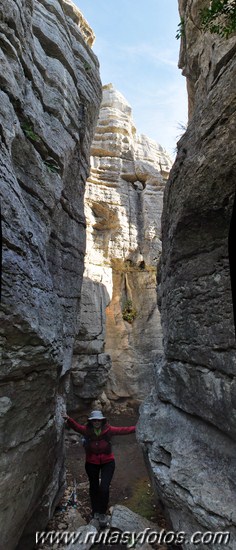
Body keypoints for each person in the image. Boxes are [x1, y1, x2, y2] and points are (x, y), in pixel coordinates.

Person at [63, 409, 136, 526]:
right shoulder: (86, 430)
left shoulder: (109, 430)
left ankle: (102, 512)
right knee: (94, 487)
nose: (97, 422)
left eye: (99, 420)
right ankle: (95, 511)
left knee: (104, 488)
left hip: (108, 462)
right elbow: (76, 427)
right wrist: (68, 419)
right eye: (94, 420)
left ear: (102, 421)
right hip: (91, 463)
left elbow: (123, 430)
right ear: (91, 422)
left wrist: (137, 428)